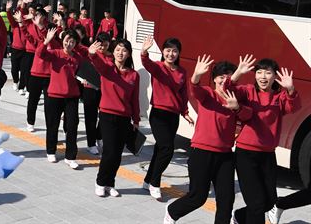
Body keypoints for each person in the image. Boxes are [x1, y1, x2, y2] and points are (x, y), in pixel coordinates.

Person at [165, 56, 252, 224]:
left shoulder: (236, 99)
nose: (224, 79)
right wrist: (196, 75)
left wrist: (237, 107)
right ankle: (172, 211)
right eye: (221, 76)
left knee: (226, 199)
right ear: (214, 80)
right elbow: (194, 89)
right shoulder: (208, 94)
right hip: (202, 152)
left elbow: (248, 115)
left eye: (228, 76)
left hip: (225, 155)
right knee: (198, 197)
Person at [224, 56, 300, 224]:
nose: (263, 77)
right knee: (256, 204)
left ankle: (238, 217)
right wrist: (237, 74)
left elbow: (294, 107)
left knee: (269, 201)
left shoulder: (279, 98)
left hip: (267, 155)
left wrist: (291, 89)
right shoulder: (248, 91)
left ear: (275, 76)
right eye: (259, 72)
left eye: (268, 73)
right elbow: (227, 89)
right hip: (246, 154)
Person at [139, 36, 193, 200]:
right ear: (163, 51)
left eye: (174, 51)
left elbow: (183, 93)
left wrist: (185, 112)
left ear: (179, 53)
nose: (171, 54)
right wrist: (143, 52)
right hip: (159, 115)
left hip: (173, 116)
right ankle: (155, 183)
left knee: (160, 150)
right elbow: (146, 63)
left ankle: (148, 181)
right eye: (168, 50)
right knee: (167, 149)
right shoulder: (158, 67)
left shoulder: (182, 72)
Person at [87, 38, 139, 198]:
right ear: (113, 52)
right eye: (117, 50)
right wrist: (92, 54)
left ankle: (110, 183)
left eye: (124, 50)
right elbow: (97, 63)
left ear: (129, 54)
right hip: (107, 115)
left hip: (124, 117)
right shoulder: (108, 68)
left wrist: (136, 119)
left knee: (117, 154)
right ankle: (100, 182)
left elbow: (134, 98)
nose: (120, 53)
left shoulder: (134, 75)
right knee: (109, 152)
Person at [38, 28, 84, 169]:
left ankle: (70, 156)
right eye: (66, 40)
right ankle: (51, 151)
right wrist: (46, 41)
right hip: (54, 95)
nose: (68, 44)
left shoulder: (78, 57)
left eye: (72, 42)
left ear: (75, 43)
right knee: (53, 124)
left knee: (72, 126)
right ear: (62, 40)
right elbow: (40, 54)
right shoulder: (55, 54)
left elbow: (85, 71)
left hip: (71, 96)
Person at [78, 32, 111, 156]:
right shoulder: (89, 52)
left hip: (105, 91)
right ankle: (91, 144)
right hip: (89, 88)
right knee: (90, 118)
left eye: (106, 45)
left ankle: (99, 136)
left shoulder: (111, 56)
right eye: (100, 45)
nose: (102, 48)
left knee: (104, 116)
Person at [21, 3, 50, 132]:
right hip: (36, 72)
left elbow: (49, 38)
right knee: (33, 99)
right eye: (37, 15)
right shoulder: (32, 27)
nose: (39, 18)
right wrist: (22, 24)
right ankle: (30, 121)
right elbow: (29, 37)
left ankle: (51, 124)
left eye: (41, 15)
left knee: (49, 103)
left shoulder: (50, 30)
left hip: (49, 73)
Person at [6, 0, 26, 94]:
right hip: (15, 49)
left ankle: (22, 87)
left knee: (24, 70)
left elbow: (22, 12)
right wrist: (8, 10)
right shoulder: (14, 24)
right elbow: (10, 17)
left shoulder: (26, 25)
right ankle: (15, 82)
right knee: (14, 69)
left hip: (25, 50)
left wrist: (22, 5)